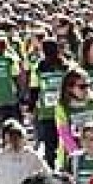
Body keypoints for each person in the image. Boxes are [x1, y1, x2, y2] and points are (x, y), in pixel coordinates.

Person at [28, 39, 70, 167]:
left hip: (52, 112)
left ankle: (54, 167)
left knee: (51, 144)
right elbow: (34, 88)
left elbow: (34, 89)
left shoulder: (64, 66)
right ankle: (56, 167)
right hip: (59, 111)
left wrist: (31, 108)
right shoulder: (64, 66)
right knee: (61, 142)